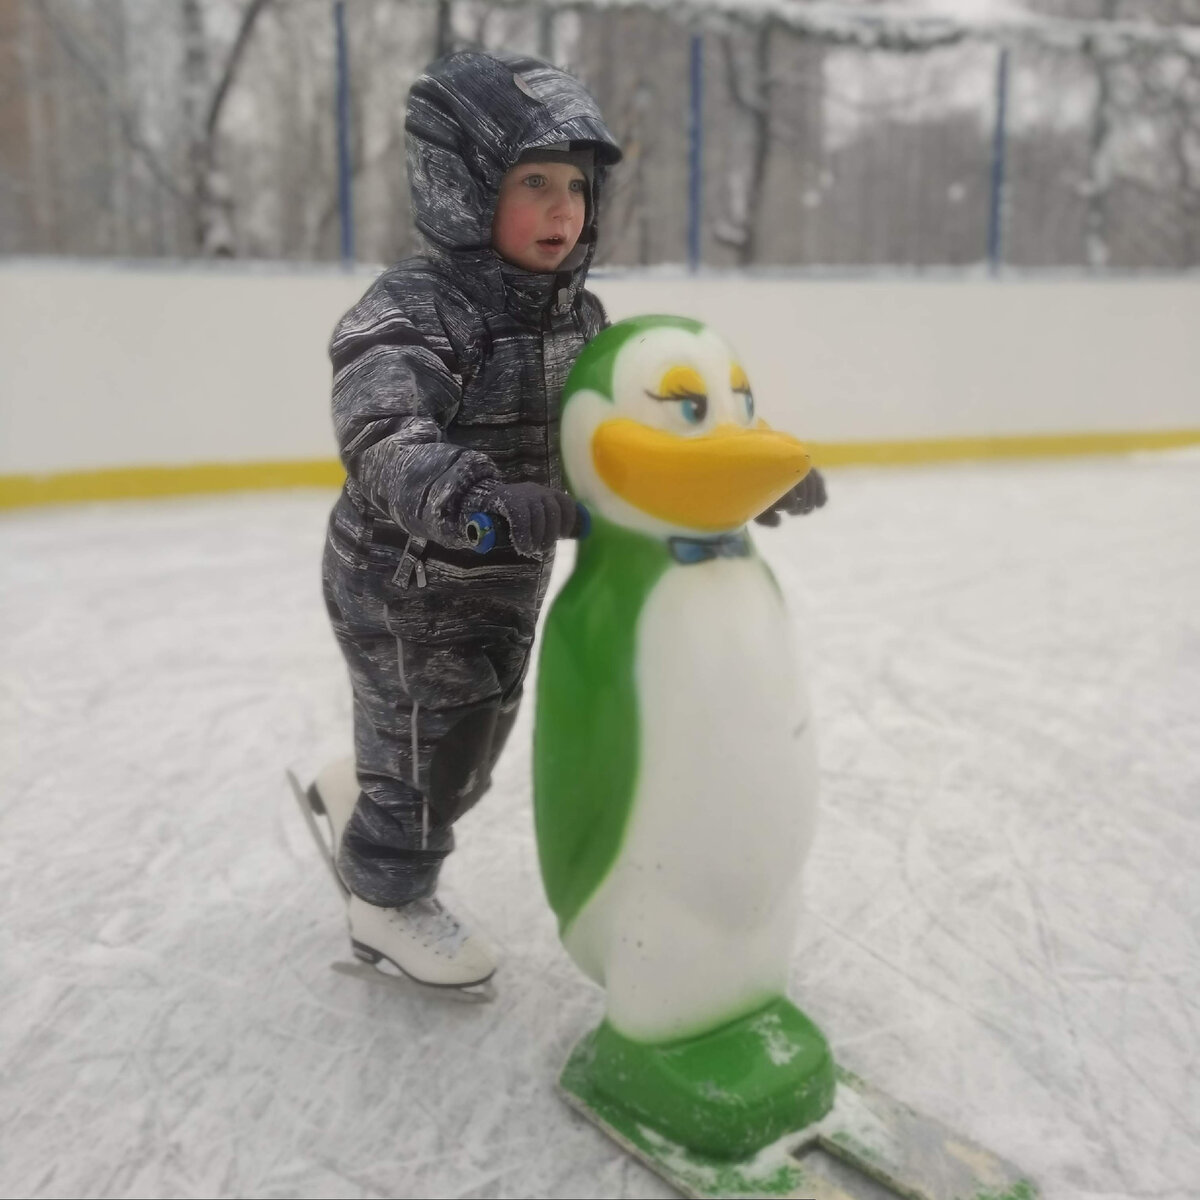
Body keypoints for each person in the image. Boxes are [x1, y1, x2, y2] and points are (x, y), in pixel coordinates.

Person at [316, 48, 825, 990]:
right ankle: (384, 896)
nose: (563, 211)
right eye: (533, 183)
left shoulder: (581, 321)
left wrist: (736, 481)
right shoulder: (411, 314)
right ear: (461, 188)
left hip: (507, 578)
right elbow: (384, 435)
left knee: (462, 741)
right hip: (403, 580)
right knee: (443, 740)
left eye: (577, 188)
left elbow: (623, 442)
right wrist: (475, 500)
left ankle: (367, 795)